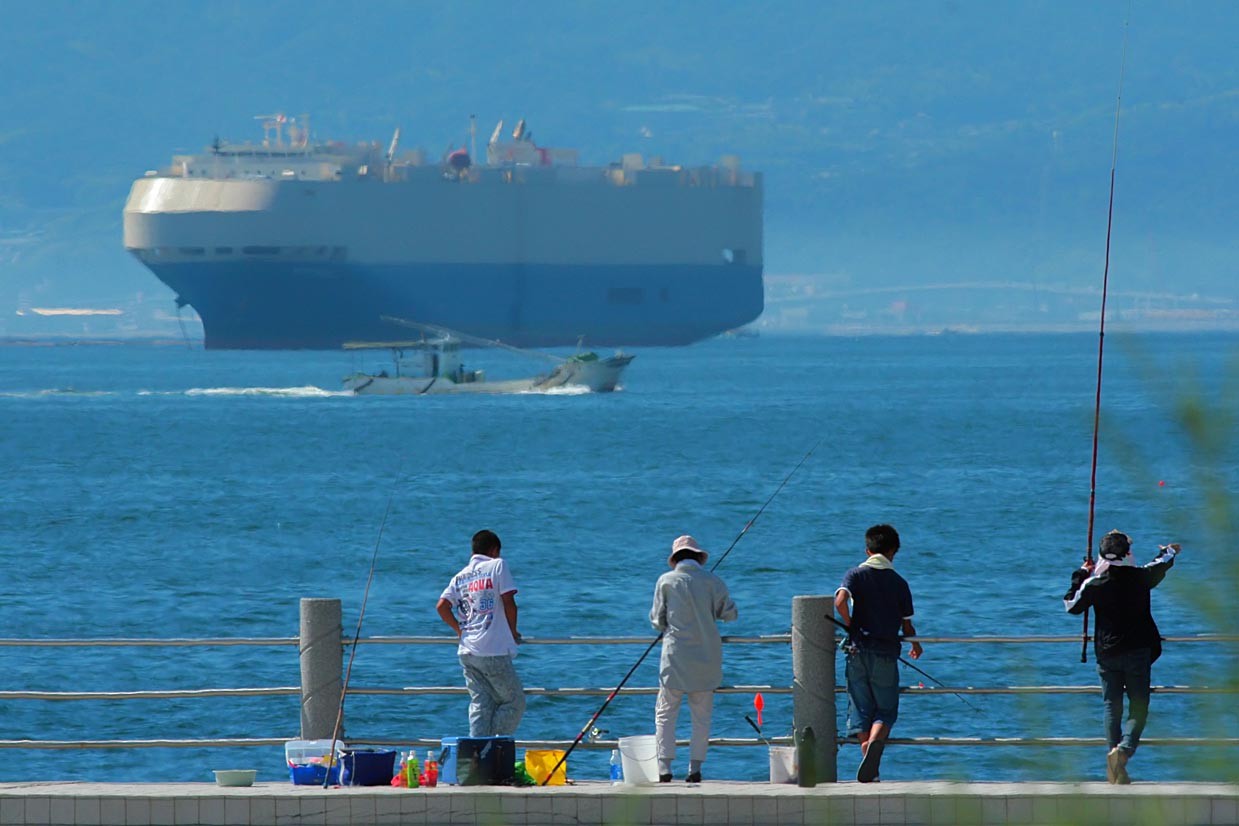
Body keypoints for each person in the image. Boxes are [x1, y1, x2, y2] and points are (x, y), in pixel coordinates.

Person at [1064, 530, 1181, 784]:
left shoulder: (1096, 584)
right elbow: (1161, 563)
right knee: (1138, 705)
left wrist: (1081, 574)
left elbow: (1071, 605)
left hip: (1107, 653)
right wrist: (1170, 550)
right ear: (1127, 554)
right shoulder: (1141, 577)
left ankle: (1115, 764)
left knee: (1111, 706)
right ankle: (1124, 751)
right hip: (1138, 651)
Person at [834, 524, 922, 783]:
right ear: (893, 552)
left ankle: (867, 754)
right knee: (886, 710)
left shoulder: (855, 574)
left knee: (860, 708)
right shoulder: (900, 583)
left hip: (857, 651)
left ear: (867, 550)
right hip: (885, 651)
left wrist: (850, 624)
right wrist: (915, 645)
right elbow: (907, 626)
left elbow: (839, 602)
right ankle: (873, 746)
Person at [649, 535, 738, 783]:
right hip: (706, 659)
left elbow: (657, 621)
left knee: (665, 713)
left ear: (675, 559)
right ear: (699, 557)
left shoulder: (665, 581)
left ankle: (664, 768)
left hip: (675, 659)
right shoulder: (713, 581)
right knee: (701, 717)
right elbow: (730, 614)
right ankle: (694, 768)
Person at [436, 529, 525, 737]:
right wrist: (512, 631)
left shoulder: (460, 577)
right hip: (492, 650)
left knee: (481, 704)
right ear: (494, 550)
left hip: (467, 650)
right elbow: (509, 603)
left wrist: (459, 630)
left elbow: (441, 606)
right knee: (514, 702)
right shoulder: (498, 565)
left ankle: (475, 750)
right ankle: (491, 746)